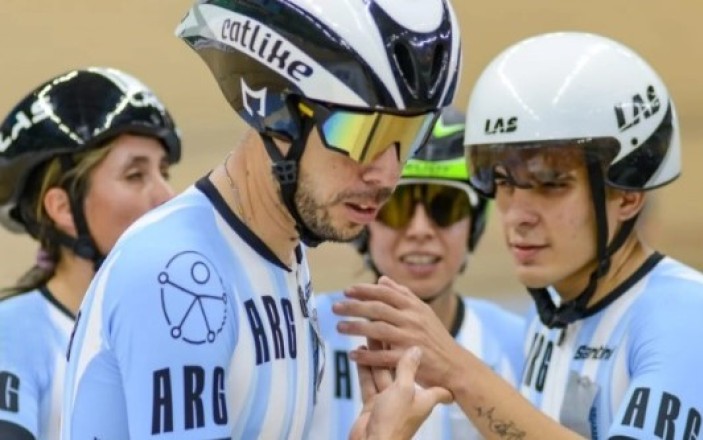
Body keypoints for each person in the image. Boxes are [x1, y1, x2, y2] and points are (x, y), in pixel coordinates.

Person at [60, 0, 462, 438]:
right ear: (277, 116)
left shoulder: (280, 252)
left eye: (409, 136)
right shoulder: (176, 271)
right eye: (361, 134)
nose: (387, 174)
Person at [335, 31, 703, 439]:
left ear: (628, 195)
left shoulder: (691, 318)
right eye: (503, 182)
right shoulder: (547, 323)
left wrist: (457, 369)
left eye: (550, 184)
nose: (518, 216)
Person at [310, 107, 526, 439]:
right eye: (396, 206)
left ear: (474, 225)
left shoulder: (522, 345)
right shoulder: (306, 334)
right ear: (365, 223)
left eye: (445, 206)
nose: (420, 230)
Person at [0, 67, 181, 440]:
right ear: (63, 208)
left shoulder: (178, 326)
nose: (168, 196)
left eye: (163, 172)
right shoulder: (13, 333)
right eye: (136, 175)